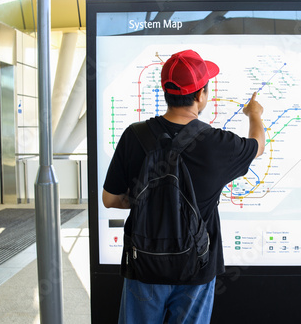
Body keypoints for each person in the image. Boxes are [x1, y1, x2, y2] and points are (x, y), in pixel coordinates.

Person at [102, 49, 265, 324]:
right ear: (201, 95)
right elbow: (258, 146)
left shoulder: (135, 135)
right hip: (195, 269)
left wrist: (143, 199)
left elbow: (110, 199)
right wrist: (254, 115)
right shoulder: (217, 144)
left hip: (144, 267)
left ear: (165, 91)